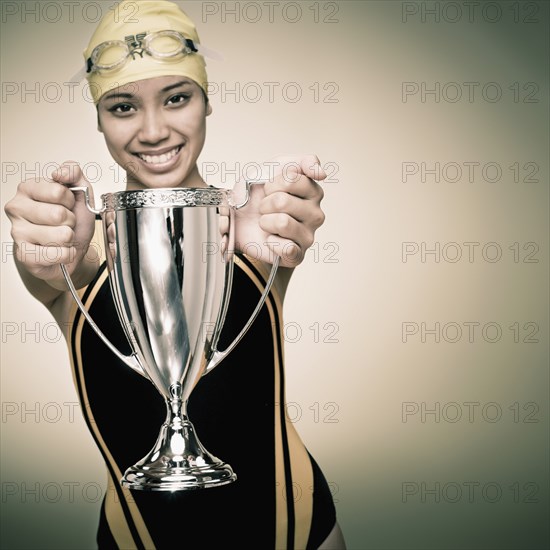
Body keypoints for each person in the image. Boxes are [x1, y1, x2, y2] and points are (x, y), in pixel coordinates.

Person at [4, 1, 346, 548]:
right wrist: (40, 240)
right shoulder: (78, 252)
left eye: (177, 97)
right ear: (97, 118)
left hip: (297, 529)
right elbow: (44, 261)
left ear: (207, 102)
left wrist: (284, 229)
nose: (154, 131)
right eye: (122, 106)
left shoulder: (249, 230)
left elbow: (277, 235)